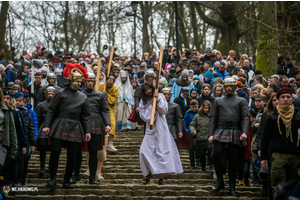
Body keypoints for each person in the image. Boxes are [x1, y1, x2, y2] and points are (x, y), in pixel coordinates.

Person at [43, 63, 91, 189]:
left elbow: (86, 116)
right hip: (59, 124)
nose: (80, 84)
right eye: (78, 81)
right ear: (71, 80)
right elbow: (51, 110)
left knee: (72, 156)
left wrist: (88, 131)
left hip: (75, 127)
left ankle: (66, 181)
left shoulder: (83, 97)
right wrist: (47, 126)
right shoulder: (60, 93)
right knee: (55, 151)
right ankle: (52, 179)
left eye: (81, 81)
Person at [209, 77, 250, 196]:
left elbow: (245, 117)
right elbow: (212, 118)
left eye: (230, 86)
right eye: (226, 86)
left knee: (233, 160)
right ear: (224, 87)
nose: (228, 88)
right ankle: (220, 182)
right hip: (220, 130)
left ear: (234, 87)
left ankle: (232, 187)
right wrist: (211, 134)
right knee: (216, 153)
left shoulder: (242, 101)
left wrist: (244, 132)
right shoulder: (217, 101)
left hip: (235, 131)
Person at [139, 82, 183, 185]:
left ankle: (161, 177)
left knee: (162, 152)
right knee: (144, 152)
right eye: (146, 90)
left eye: (150, 89)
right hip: (150, 130)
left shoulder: (161, 96)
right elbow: (145, 117)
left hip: (162, 129)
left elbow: (164, 110)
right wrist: (152, 106)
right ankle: (147, 174)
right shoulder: (143, 101)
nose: (149, 91)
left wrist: (158, 99)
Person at [71, 73, 111, 185]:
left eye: (91, 81)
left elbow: (105, 110)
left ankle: (92, 177)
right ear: (84, 82)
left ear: (94, 82)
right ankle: (76, 174)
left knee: (93, 152)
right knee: (77, 152)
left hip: (96, 125)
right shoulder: (79, 94)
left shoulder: (100, 95)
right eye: (88, 81)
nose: (89, 83)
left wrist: (107, 124)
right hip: (81, 126)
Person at [261, 87, 300, 198]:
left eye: (288, 97)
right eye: (283, 97)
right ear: (278, 99)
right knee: (277, 185)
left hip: (295, 155)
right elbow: (265, 138)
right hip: (277, 155)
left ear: (292, 99)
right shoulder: (272, 117)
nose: (286, 99)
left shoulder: (297, 117)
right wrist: (264, 157)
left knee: (293, 185)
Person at [35, 86, 56, 177]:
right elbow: (38, 119)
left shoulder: (57, 105)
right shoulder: (41, 105)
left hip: (54, 128)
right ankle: (42, 166)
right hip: (43, 128)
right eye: (49, 94)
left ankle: (51, 167)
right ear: (46, 94)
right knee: (43, 146)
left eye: (52, 94)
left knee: (54, 149)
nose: (50, 95)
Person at [0, 88, 18, 189]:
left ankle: (4, 193)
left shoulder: (6, 110)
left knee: (3, 171)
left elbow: (12, 130)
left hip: (3, 143)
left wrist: (14, 148)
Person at [189, 100, 212, 173]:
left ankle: (211, 166)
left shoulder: (211, 117)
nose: (206, 110)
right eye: (205, 108)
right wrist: (193, 131)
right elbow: (192, 125)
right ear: (202, 108)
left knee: (210, 149)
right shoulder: (197, 116)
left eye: (208, 108)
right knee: (202, 153)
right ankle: (203, 168)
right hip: (200, 138)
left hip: (208, 138)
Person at [98, 75, 119, 153]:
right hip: (99, 107)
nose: (109, 85)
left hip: (110, 108)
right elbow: (96, 94)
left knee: (112, 124)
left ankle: (110, 144)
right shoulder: (101, 86)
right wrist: (101, 95)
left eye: (111, 84)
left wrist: (107, 96)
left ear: (113, 83)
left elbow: (114, 100)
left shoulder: (115, 88)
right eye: (108, 84)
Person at [184, 99, 199, 169]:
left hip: (199, 134)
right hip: (190, 134)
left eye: (195, 107)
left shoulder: (199, 113)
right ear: (190, 106)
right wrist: (188, 132)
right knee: (191, 150)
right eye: (193, 107)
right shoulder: (187, 113)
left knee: (198, 149)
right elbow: (185, 124)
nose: (194, 108)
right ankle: (192, 164)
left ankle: (198, 161)